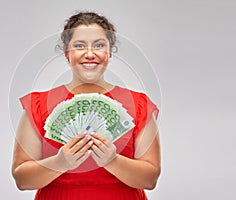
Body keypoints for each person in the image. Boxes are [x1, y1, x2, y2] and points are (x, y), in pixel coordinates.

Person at [11, 11, 161, 200]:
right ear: (67, 53)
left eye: (99, 45)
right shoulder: (37, 105)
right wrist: (59, 162)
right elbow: (22, 180)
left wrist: (112, 160)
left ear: (109, 52)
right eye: (79, 46)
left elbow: (150, 179)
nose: (90, 54)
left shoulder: (139, 105)